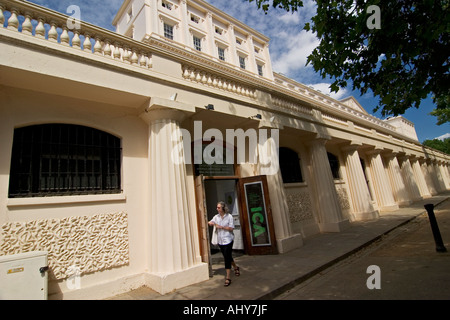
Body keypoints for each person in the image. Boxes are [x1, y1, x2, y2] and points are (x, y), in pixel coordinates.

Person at [208, 201, 240, 286]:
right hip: (220, 241)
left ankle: (228, 277)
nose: (217, 209)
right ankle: (236, 267)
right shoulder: (216, 217)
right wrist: (211, 223)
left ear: (223, 208)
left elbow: (231, 228)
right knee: (227, 256)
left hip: (228, 239)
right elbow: (210, 222)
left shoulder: (229, 217)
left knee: (226, 258)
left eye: (218, 207)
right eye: (217, 207)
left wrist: (221, 227)